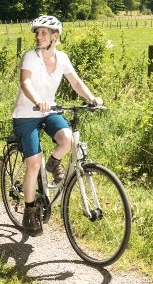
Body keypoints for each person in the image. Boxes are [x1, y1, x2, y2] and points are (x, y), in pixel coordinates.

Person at [11, 14, 101, 235]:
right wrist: (37, 100)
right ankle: (30, 210)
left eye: (43, 33)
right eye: (37, 32)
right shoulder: (31, 56)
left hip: (48, 110)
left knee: (67, 139)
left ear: (55, 36)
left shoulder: (62, 58)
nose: (38, 36)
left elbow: (76, 81)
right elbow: (25, 82)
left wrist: (92, 99)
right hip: (26, 114)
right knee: (33, 162)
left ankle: (53, 165)